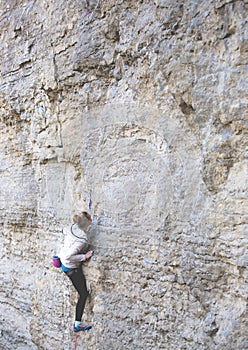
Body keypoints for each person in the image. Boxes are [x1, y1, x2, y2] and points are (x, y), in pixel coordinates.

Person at [59, 211, 94, 332]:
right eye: (90, 219)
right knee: (84, 294)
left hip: (64, 263)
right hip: (71, 267)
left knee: (80, 290)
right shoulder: (81, 240)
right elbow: (69, 256)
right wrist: (85, 256)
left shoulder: (72, 228)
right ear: (86, 223)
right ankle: (77, 324)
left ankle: (79, 291)